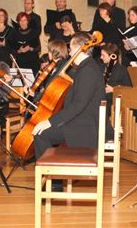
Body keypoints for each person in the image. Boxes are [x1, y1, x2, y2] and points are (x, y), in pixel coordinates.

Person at [32, 32, 106, 189]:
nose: (70, 52)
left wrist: (50, 121)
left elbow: (78, 105)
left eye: (71, 48)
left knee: (41, 134)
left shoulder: (88, 71)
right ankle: (53, 181)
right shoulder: (85, 67)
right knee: (42, 133)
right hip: (80, 122)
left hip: (85, 127)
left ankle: (53, 185)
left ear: (80, 48)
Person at [100, 43, 132, 116]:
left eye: (103, 55)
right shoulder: (101, 67)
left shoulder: (122, 70)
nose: (101, 57)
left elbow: (128, 90)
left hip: (114, 107)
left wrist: (113, 90)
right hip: (101, 103)